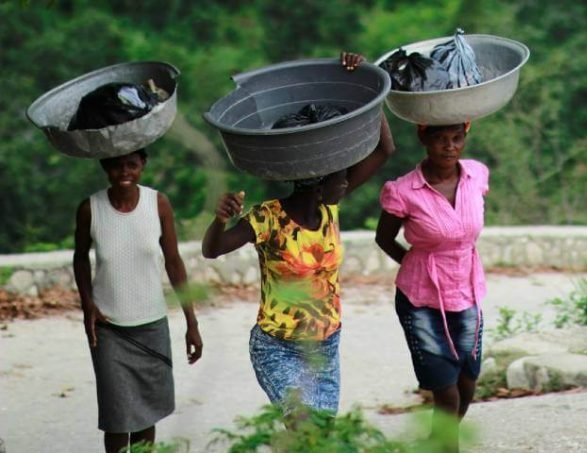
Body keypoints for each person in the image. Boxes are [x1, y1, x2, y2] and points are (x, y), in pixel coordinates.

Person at [201, 53, 396, 414]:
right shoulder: (268, 218)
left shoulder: (329, 207)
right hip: (278, 346)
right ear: (320, 182)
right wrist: (220, 219)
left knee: (318, 436)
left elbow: (385, 149)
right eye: (342, 175)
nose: (347, 182)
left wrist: (366, 92)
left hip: (325, 347)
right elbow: (212, 250)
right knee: (302, 423)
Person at [73, 149, 203, 453]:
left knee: (147, 412)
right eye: (116, 166)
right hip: (108, 328)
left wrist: (192, 323)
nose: (124, 172)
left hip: (151, 327)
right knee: (117, 418)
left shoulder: (158, 204)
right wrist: (87, 304)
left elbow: (174, 262)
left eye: (132, 165)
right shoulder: (90, 209)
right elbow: (80, 258)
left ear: (143, 164)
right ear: (105, 166)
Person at [375, 121, 487, 451]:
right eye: (440, 139)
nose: (449, 146)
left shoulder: (476, 175)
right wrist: (418, 266)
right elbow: (384, 238)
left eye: (457, 138)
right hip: (421, 300)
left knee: (467, 382)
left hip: (467, 292)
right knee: (446, 390)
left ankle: (436, 443)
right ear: (424, 139)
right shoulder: (404, 191)